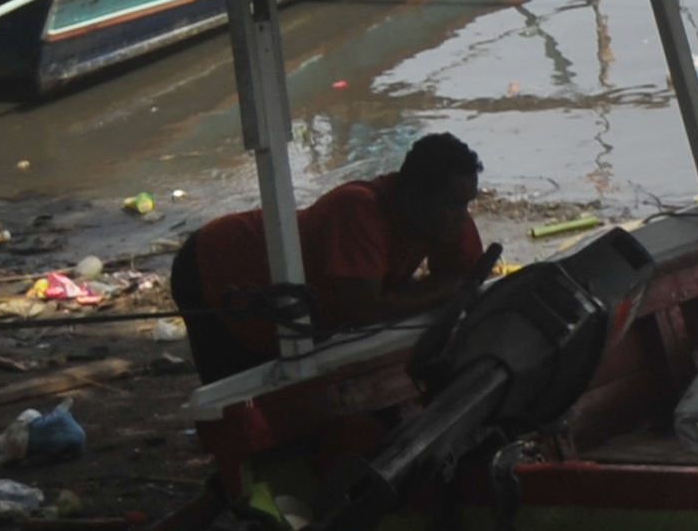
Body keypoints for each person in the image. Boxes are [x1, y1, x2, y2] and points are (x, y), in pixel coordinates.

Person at [169, 133, 490, 381]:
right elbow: (365, 308)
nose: (462, 216)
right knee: (243, 393)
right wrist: (449, 287)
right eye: (452, 205)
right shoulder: (358, 209)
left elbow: (470, 283)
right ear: (413, 197)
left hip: (297, 298)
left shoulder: (446, 218)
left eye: (466, 205)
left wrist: (454, 286)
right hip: (214, 264)